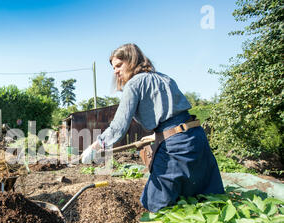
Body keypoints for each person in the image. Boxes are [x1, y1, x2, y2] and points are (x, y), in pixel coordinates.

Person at [81, 43, 224, 212]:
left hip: (176, 147)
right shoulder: (164, 78)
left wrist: (95, 146)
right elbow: (173, 116)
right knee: (206, 199)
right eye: (113, 68)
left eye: (119, 65)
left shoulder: (134, 84)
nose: (116, 71)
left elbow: (119, 126)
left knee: (156, 203)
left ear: (132, 60)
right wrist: (160, 135)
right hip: (195, 137)